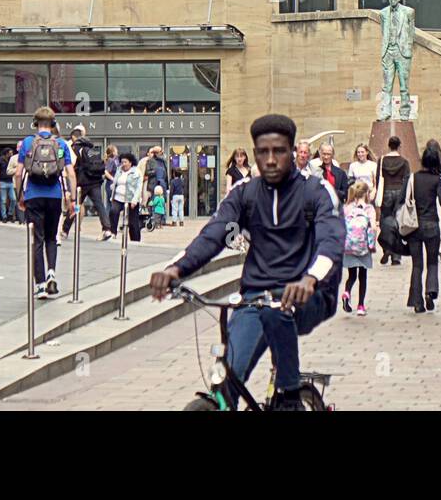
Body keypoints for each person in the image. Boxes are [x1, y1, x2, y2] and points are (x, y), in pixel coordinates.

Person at [148, 114, 344, 411]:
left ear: (292, 152)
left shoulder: (315, 192)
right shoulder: (245, 194)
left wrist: (311, 278)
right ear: (254, 154)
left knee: (279, 315)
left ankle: (289, 398)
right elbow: (214, 233)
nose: (271, 160)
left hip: (308, 294)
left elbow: (331, 240)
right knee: (227, 379)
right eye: (263, 152)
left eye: (279, 151)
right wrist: (175, 269)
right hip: (256, 296)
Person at [8, 106, 75, 298]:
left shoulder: (28, 143)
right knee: (51, 237)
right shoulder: (61, 144)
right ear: (53, 124)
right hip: (54, 196)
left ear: (35, 123)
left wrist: (20, 195)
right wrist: (73, 198)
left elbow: (19, 172)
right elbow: (70, 173)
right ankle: (51, 272)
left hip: (33, 196)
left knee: (37, 239)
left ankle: (40, 285)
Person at [407, 142, 441, 313]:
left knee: (417, 265)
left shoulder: (414, 177)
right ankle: (431, 291)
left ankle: (417, 301)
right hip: (431, 224)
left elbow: (402, 199)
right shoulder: (437, 180)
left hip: (414, 225)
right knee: (432, 262)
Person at [61, 127, 113, 241]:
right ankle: (107, 229)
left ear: (74, 137)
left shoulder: (76, 147)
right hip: (95, 180)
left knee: (75, 205)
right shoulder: (91, 147)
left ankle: (65, 230)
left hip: (82, 182)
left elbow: (72, 163)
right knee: (100, 205)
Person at [340, 181, 376, 316]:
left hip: (349, 246)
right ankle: (360, 305)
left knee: (351, 275)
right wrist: (372, 245)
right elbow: (372, 227)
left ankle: (347, 292)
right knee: (363, 276)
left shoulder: (347, 208)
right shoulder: (369, 209)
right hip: (363, 246)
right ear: (367, 193)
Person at [376, 136, 410, 265]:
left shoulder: (382, 160)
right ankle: (396, 255)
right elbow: (407, 179)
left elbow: (379, 178)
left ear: (388, 145)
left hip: (386, 192)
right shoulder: (404, 161)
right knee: (397, 222)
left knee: (385, 221)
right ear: (399, 146)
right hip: (399, 192)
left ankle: (386, 248)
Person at [109, 150, 144, 240]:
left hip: (131, 198)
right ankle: (113, 233)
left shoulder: (136, 172)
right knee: (113, 212)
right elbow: (116, 181)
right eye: (122, 162)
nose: (123, 164)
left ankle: (135, 239)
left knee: (132, 222)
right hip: (118, 197)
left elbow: (139, 187)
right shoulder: (119, 170)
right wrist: (112, 187)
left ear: (130, 162)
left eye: (125, 162)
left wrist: (134, 200)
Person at [0, 146, 17, 222]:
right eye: (10, 153)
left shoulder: (11, 160)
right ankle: (4, 216)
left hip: (10, 182)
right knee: (3, 200)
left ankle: (10, 214)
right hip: (2, 182)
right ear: (6, 153)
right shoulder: (0, 160)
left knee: (13, 199)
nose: (11, 154)